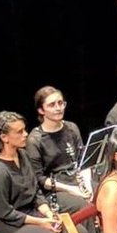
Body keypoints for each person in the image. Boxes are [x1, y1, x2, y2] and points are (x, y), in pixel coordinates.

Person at [24, 85, 92, 216]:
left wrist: (87, 186)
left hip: (77, 180)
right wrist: (72, 190)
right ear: (41, 110)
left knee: (109, 190)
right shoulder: (35, 140)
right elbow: (39, 179)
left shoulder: (71, 127)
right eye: (52, 105)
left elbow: (83, 161)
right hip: (56, 190)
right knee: (83, 205)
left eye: (61, 103)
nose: (58, 108)